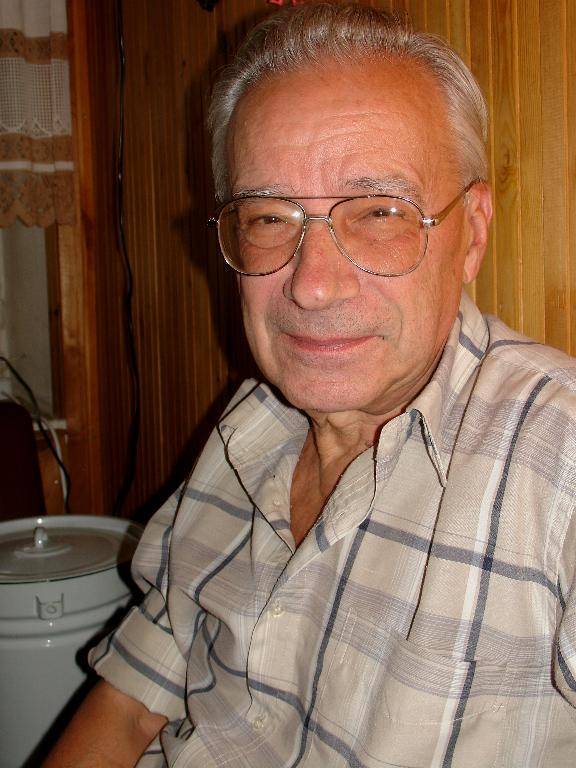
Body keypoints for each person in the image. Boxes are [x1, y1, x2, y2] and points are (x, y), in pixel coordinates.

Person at [44, 4, 576, 767]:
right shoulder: (246, 426)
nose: (312, 285)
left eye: (379, 213)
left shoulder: (558, 456)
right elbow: (131, 703)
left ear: (473, 232)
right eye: (268, 218)